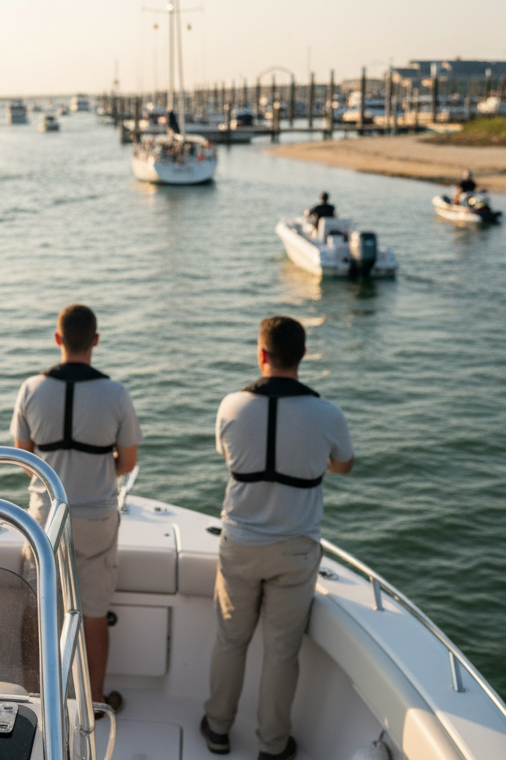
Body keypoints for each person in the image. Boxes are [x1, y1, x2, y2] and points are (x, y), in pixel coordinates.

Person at [200, 316, 354, 760]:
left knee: (230, 641)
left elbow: (226, 453)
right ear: (302, 356)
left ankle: (217, 729)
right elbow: (343, 463)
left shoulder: (231, 406)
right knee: (281, 653)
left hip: (241, 545)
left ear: (261, 354)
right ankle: (272, 745)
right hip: (295, 549)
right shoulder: (327, 413)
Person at [11, 304, 141, 713]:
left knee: (39, 608)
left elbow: (22, 453)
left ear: (57, 339)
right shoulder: (116, 393)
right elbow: (128, 461)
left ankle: (37, 700)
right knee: (94, 613)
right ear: (96, 341)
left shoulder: (31, 389)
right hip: (96, 517)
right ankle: (94, 701)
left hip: (46, 516)